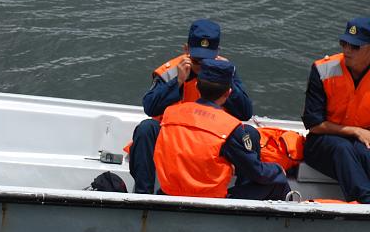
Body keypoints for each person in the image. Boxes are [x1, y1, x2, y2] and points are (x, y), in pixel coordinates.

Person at [129, 19, 253, 193]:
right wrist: (177, 81)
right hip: (174, 137)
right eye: (196, 61)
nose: (201, 67)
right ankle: (143, 197)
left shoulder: (225, 70)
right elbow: (150, 107)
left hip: (212, 137)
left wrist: (224, 81)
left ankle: (242, 199)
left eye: (207, 61)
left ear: (217, 53)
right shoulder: (171, 70)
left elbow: (245, 112)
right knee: (145, 129)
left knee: (250, 135)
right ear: (186, 50)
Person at [153, 59, 290, 200]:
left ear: (197, 88)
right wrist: (278, 170)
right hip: (210, 203)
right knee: (278, 183)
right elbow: (256, 172)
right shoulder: (230, 127)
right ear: (228, 93)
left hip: (168, 196)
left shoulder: (170, 114)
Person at [300, 17, 370, 203]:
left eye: (355, 47)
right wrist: (355, 131)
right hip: (321, 143)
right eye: (344, 43)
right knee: (342, 148)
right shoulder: (323, 69)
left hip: (362, 141)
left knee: (363, 152)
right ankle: (365, 202)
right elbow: (314, 124)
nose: (346, 50)